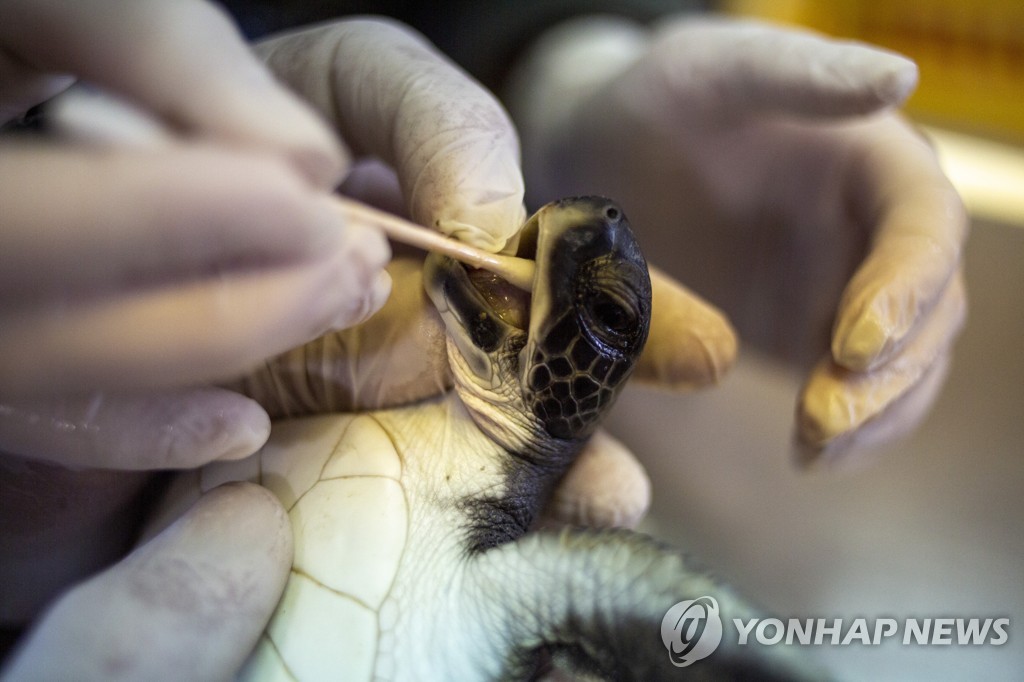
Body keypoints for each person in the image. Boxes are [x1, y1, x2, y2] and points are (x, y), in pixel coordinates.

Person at [0, 1, 966, 678]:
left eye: (602, 319)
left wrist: (557, 64)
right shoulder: (537, 572)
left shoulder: (526, 583)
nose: (548, 251)